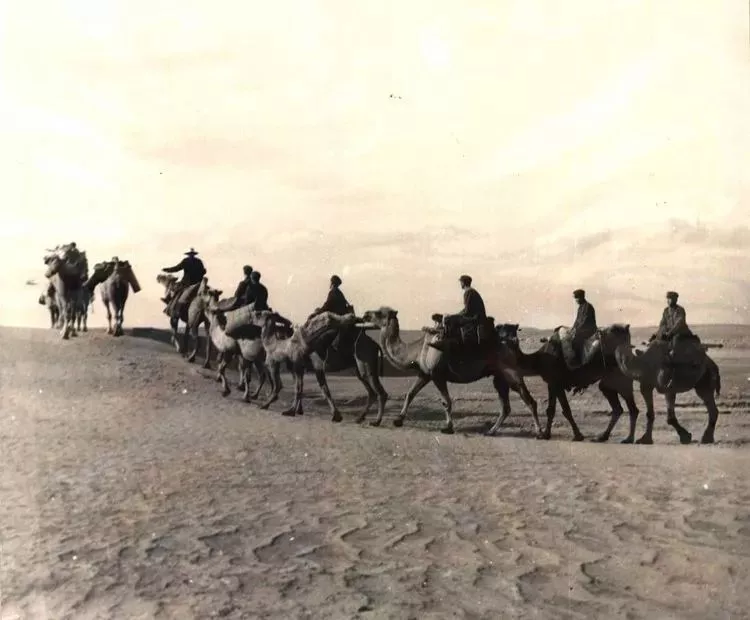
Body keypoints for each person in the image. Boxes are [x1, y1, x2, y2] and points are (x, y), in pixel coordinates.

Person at [428, 275, 488, 352]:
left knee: (449, 319)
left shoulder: (468, 292)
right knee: (452, 317)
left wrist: (455, 316)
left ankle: (445, 341)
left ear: (463, 283)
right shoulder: (472, 291)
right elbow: (467, 309)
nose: (460, 284)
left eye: (461, 282)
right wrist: (457, 314)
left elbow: (467, 311)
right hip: (476, 317)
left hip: (475, 318)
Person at [651, 291, 695, 388]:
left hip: (681, 334)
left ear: (675, 300)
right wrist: (657, 334)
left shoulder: (680, 310)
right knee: (655, 344)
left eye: (670, 299)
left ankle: (674, 377)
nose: (668, 301)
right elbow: (662, 324)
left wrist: (670, 333)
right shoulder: (666, 311)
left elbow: (679, 323)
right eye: (667, 299)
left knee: (674, 351)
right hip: (669, 335)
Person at [311, 275, 353, 351]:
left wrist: (317, 313)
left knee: (320, 339)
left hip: (336, 321)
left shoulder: (332, 292)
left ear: (332, 284)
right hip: (342, 319)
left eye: (330, 282)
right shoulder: (339, 293)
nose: (329, 284)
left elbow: (326, 306)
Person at [564, 289, 598, 367]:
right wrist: (572, 329)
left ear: (581, 297)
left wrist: (576, 330)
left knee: (576, 339)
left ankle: (578, 361)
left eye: (576, 298)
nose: (575, 300)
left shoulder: (588, 307)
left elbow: (585, 321)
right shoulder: (580, 308)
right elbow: (577, 321)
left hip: (589, 330)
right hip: (582, 329)